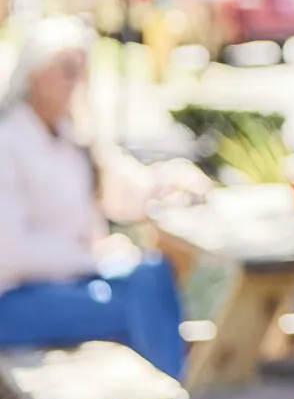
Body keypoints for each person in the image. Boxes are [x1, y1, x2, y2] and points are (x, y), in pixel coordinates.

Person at [0, 19, 189, 379]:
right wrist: (91, 258)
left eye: (82, 71)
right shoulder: (8, 142)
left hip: (66, 282)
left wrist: (170, 183)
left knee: (153, 274)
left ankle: (170, 397)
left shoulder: (72, 135)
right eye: (67, 70)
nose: (77, 82)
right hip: (13, 299)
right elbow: (10, 253)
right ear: (34, 73)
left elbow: (123, 193)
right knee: (130, 308)